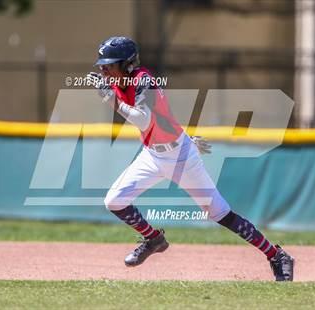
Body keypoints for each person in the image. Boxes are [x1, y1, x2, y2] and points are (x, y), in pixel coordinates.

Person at [88, 36, 294, 281]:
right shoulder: (118, 83)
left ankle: (276, 255)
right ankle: (153, 238)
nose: (103, 70)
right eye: (102, 65)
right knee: (114, 200)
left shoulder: (145, 81)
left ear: (128, 64)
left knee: (220, 213)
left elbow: (144, 120)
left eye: (109, 65)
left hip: (181, 158)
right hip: (153, 155)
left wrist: (109, 98)